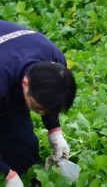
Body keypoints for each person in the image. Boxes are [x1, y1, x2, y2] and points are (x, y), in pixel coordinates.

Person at [0, 20, 77, 186]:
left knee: (26, 159)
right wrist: (7, 174)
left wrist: (54, 129)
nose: (41, 114)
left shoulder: (55, 63)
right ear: (25, 83)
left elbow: (51, 95)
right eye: (37, 108)